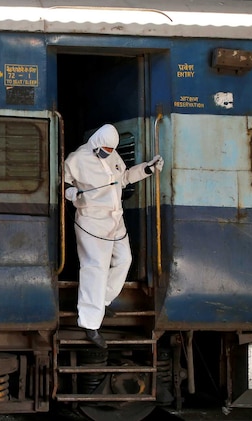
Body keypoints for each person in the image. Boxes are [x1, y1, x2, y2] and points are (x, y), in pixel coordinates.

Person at [64, 124, 163, 349]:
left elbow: (124, 177)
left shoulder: (113, 155)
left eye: (110, 149)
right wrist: (69, 191)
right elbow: (63, 181)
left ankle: (103, 300)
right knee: (95, 268)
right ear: (96, 142)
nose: (107, 152)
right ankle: (89, 323)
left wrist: (147, 169)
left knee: (124, 260)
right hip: (91, 222)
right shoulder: (77, 158)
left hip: (115, 221)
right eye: (104, 148)